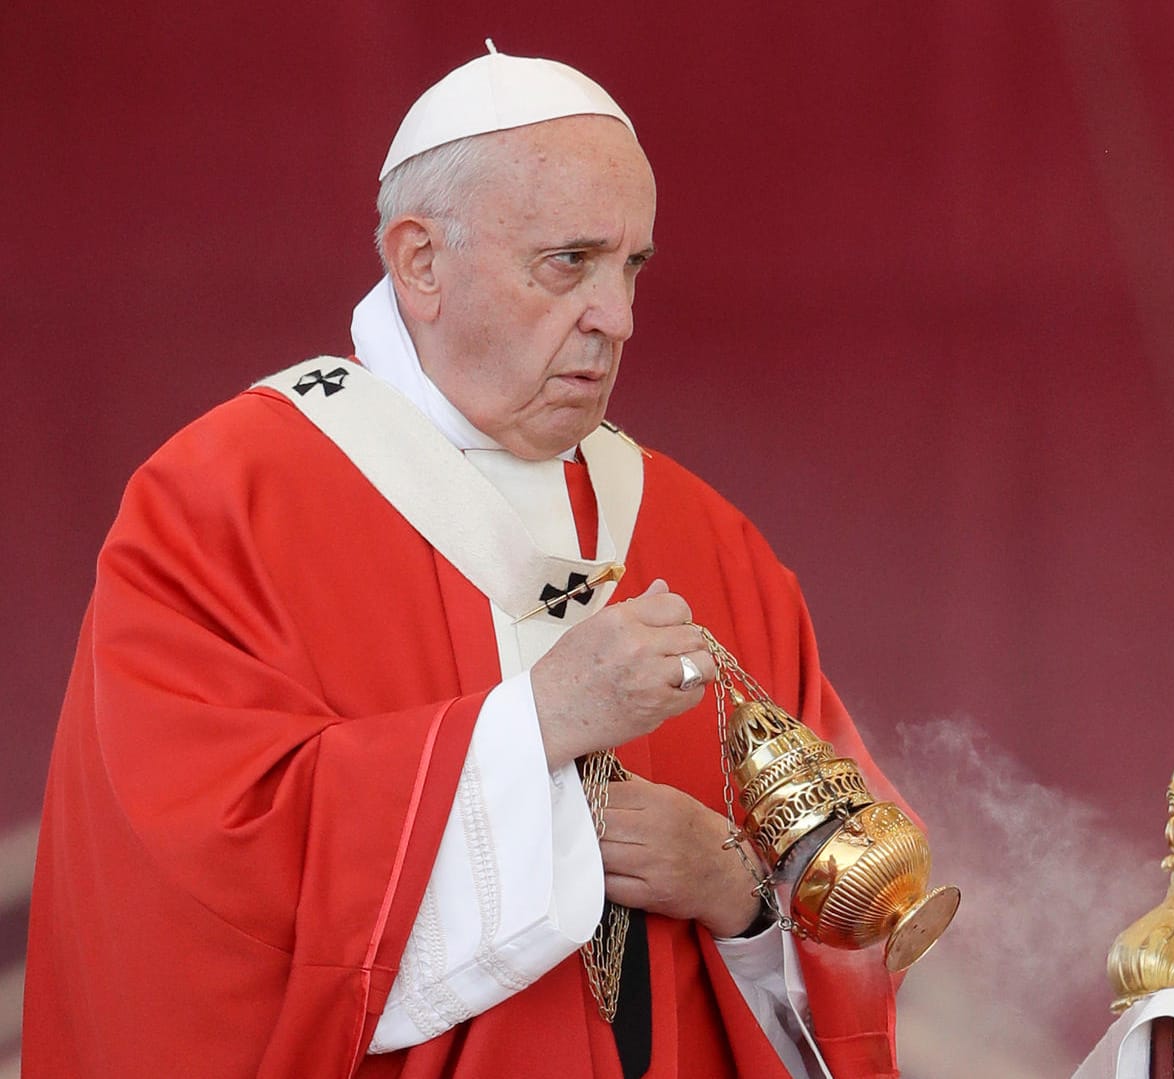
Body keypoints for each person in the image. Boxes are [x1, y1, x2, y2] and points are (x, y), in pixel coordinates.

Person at [24, 44, 904, 1079]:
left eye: (631, 267)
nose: (615, 319)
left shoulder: (703, 537)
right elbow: (176, 895)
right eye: (566, 262)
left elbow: (866, 892)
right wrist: (532, 724)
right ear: (420, 261)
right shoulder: (224, 503)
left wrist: (736, 887)